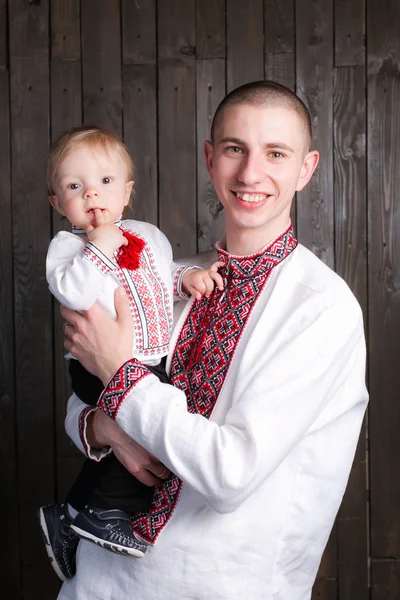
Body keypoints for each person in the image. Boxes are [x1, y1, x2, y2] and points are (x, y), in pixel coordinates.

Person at [58, 81, 368, 600]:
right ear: (210, 158)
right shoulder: (166, 275)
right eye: (234, 149)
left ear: (306, 168)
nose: (250, 173)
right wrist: (106, 429)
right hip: (95, 582)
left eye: (275, 153)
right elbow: (79, 402)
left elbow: (229, 475)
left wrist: (120, 373)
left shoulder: (321, 308)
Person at [38, 126, 224, 581]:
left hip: (149, 356)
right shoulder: (68, 248)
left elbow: (161, 277)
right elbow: (72, 290)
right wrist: (99, 247)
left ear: (127, 191)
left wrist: (185, 281)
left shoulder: (147, 235)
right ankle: (106, 513)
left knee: (140, 429)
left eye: (104, 181)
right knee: (141, 429)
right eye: (74, 186)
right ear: (57, 202)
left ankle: (73, 513)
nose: (91, 194)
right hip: (94, 363)